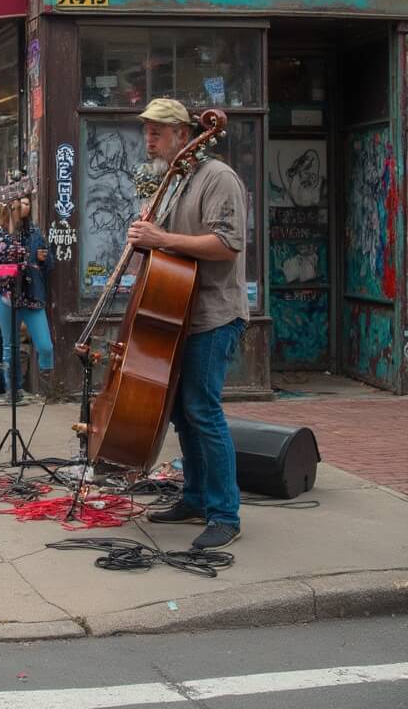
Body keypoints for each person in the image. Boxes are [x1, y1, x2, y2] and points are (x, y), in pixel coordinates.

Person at [126, 98, 250, 552]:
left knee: (203, 410)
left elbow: (227, 243)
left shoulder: (218, 178)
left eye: (159, 130)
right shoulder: (171, 179)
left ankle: (225, 513)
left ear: (184, 133)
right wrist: (143, 237)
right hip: (174, 313)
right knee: (181, 412)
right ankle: (195, 496)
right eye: (147, 130)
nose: (150, 138)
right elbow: (165, 248)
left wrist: (162, 238)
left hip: (213, 314)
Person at [0, 195, 54, 400]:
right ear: (9, 207)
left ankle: (47, 384)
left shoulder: (34, 232)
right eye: (20, 203)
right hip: (7, 296)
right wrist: (9, 274)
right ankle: (13, 390)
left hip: (32, 295)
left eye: (27, 203)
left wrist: (44, 258)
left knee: (45, 346)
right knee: (10, 345)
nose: (25, 206)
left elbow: (49, 265)